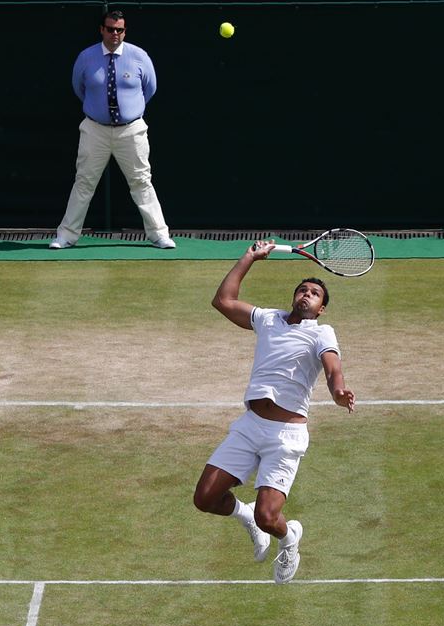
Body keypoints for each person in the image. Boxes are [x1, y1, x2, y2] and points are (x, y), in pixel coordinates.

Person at [193, 241, 355, 584]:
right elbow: (223, 301)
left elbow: (332, 368)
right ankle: (244, 515)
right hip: (250, 426)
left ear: (321, 308)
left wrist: (338, 391)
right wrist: (249, 257)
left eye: (314, 293)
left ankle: (288, 538)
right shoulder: (268, 319)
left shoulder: (321, 333)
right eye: (302, 290)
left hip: (285, 437)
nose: (307, 295)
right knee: (205, 498)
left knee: (271, 518)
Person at [50, 9, 175, 250]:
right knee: (84, 182)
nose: (115, 34)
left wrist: (129, 112)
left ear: (125, 31)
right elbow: (80, 88)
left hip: (131, 130)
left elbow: (150, 89)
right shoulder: (86, 57)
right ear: (102, 30)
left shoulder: (139, 56)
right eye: (110, 29)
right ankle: (66, 235)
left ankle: (159, 234)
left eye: (119, 30)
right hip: (95, 129)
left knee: (141, 181)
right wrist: (99, 112)